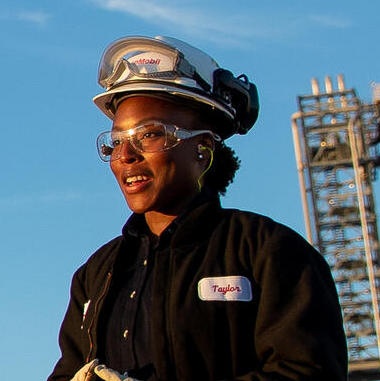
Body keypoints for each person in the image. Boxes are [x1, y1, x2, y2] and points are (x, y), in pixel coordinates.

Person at [48, 36, 345, 381]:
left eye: (149, 135)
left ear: (202, 148)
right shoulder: (96, 275)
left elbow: (308, 371)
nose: (125, 155)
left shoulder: (269, 252)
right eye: (116, 141)